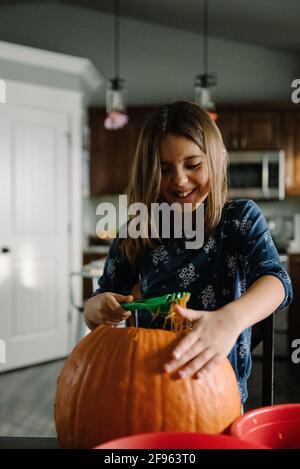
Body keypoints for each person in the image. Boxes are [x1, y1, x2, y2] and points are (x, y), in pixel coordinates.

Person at [84, 101, 293, 403]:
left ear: (217, 160)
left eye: (193, 165)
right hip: (152, 392)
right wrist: (95, 310)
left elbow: (278, 282)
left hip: (221, 393)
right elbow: (100, 306)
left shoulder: (239, 219)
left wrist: (230, 320)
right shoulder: (137, 230)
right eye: (164, 169)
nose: (179, 180)